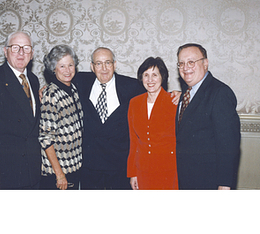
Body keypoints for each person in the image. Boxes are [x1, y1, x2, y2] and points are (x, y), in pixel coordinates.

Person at [74, 47, 180, 189]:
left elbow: (156, 91)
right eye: (98, 63)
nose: (104, 68)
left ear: (115, 64)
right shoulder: (81, 81)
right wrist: (44, 89)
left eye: (108, 63)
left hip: (119, 168)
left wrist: (182, 93)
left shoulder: (131, 87)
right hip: (91, 167)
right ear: (92, 67)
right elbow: (62, 80)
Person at [0, 31, 41, 190]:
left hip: (32, 171)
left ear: (32, 54)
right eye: (15, 48)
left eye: (26, 48)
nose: (21, 53)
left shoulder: (34, 80)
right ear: (5, 51)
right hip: (4, 173)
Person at [176, 43, 241, 190]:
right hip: (185, 180)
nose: (185, 68)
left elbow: (228, 146)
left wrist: (224, 185)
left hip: (208, 183)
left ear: (205, 63)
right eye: (181, 63)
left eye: (191, 62)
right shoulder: (185, 94)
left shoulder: (220, 93)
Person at [127, 57, 178, 190]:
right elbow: (134, 141)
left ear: (162, 77)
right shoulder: (134, 103)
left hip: (169, 170)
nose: (150, 80)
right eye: (146, 75)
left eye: (155, 75)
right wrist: (133, 173)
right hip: (142, 170)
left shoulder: (173, 102)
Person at [39, 45, 83, 190]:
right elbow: (45, 138)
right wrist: (59, 174)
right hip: (58, 173)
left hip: (74, 167)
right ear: (53, 69)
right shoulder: (51, 94)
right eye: (62, 66)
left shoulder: (73, 89)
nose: (67, 70)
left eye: (70, 65)